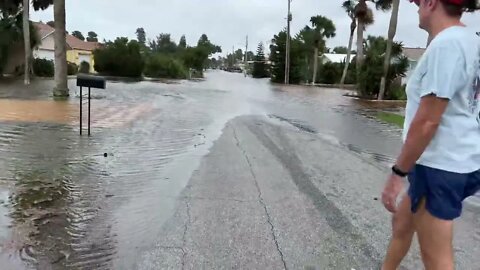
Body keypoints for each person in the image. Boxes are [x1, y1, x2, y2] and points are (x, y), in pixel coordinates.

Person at [381, 0, 480, 269]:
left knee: (437, 260)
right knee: (402, 223)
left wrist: (398, 173)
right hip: (461, 159)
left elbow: (427, 121)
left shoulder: (447, 45)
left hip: (439, 166)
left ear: (431, 3)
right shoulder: (471, 40)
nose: (416, 7)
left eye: (417, 2)